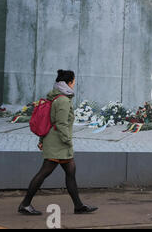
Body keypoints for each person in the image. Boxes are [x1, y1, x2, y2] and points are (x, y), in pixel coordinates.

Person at [18, 70, 98, 215]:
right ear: (69, 83)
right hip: (58, 144)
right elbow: (61, 123)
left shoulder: (56, 97)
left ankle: (79, 206)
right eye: (73, 81)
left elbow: (49, 121)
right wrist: (68, 141)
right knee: (44, 173)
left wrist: (42, 140)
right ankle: (25, 204)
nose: (74, 83)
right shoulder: (62, 100)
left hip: (56, 142)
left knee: (70, 172)